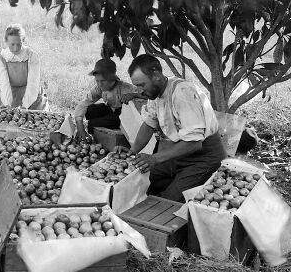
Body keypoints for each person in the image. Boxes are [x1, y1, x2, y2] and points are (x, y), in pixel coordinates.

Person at [127, 54, 226, 202]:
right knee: (137, 179)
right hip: (177, 155)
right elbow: (149, 125)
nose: (140, 91)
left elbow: (194, 143)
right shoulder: (156, 94)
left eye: (142, 85)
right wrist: (131, 152)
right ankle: (177, 183)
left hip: (202, 158)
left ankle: (181, 190)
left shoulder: (182, 93)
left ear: (156, 75)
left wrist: (155, 158)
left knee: (169, 202)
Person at [74, 58, 144, 142]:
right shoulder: (99, 88)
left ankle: (98, 138)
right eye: (97, 81)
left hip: (123, 115)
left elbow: (148, 96)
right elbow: (83, 104)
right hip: (111, 110)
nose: (100, 84)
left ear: (112, 79)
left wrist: (133, 95)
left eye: (103, 81)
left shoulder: (126, 88)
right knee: (90, 110)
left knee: (93, 124)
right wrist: (80, 127)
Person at [0, 24, 47, 110]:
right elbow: (4, 83)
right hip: (10, 93)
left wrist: (24, 106)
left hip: (31, 95)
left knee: (34, 118)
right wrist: (8, 104)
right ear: (6, 41)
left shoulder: (31, 56)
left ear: (23, 41)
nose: (15, 48)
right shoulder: (1, 58)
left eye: (18, 44)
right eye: (12, 44)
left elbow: (33, 83)